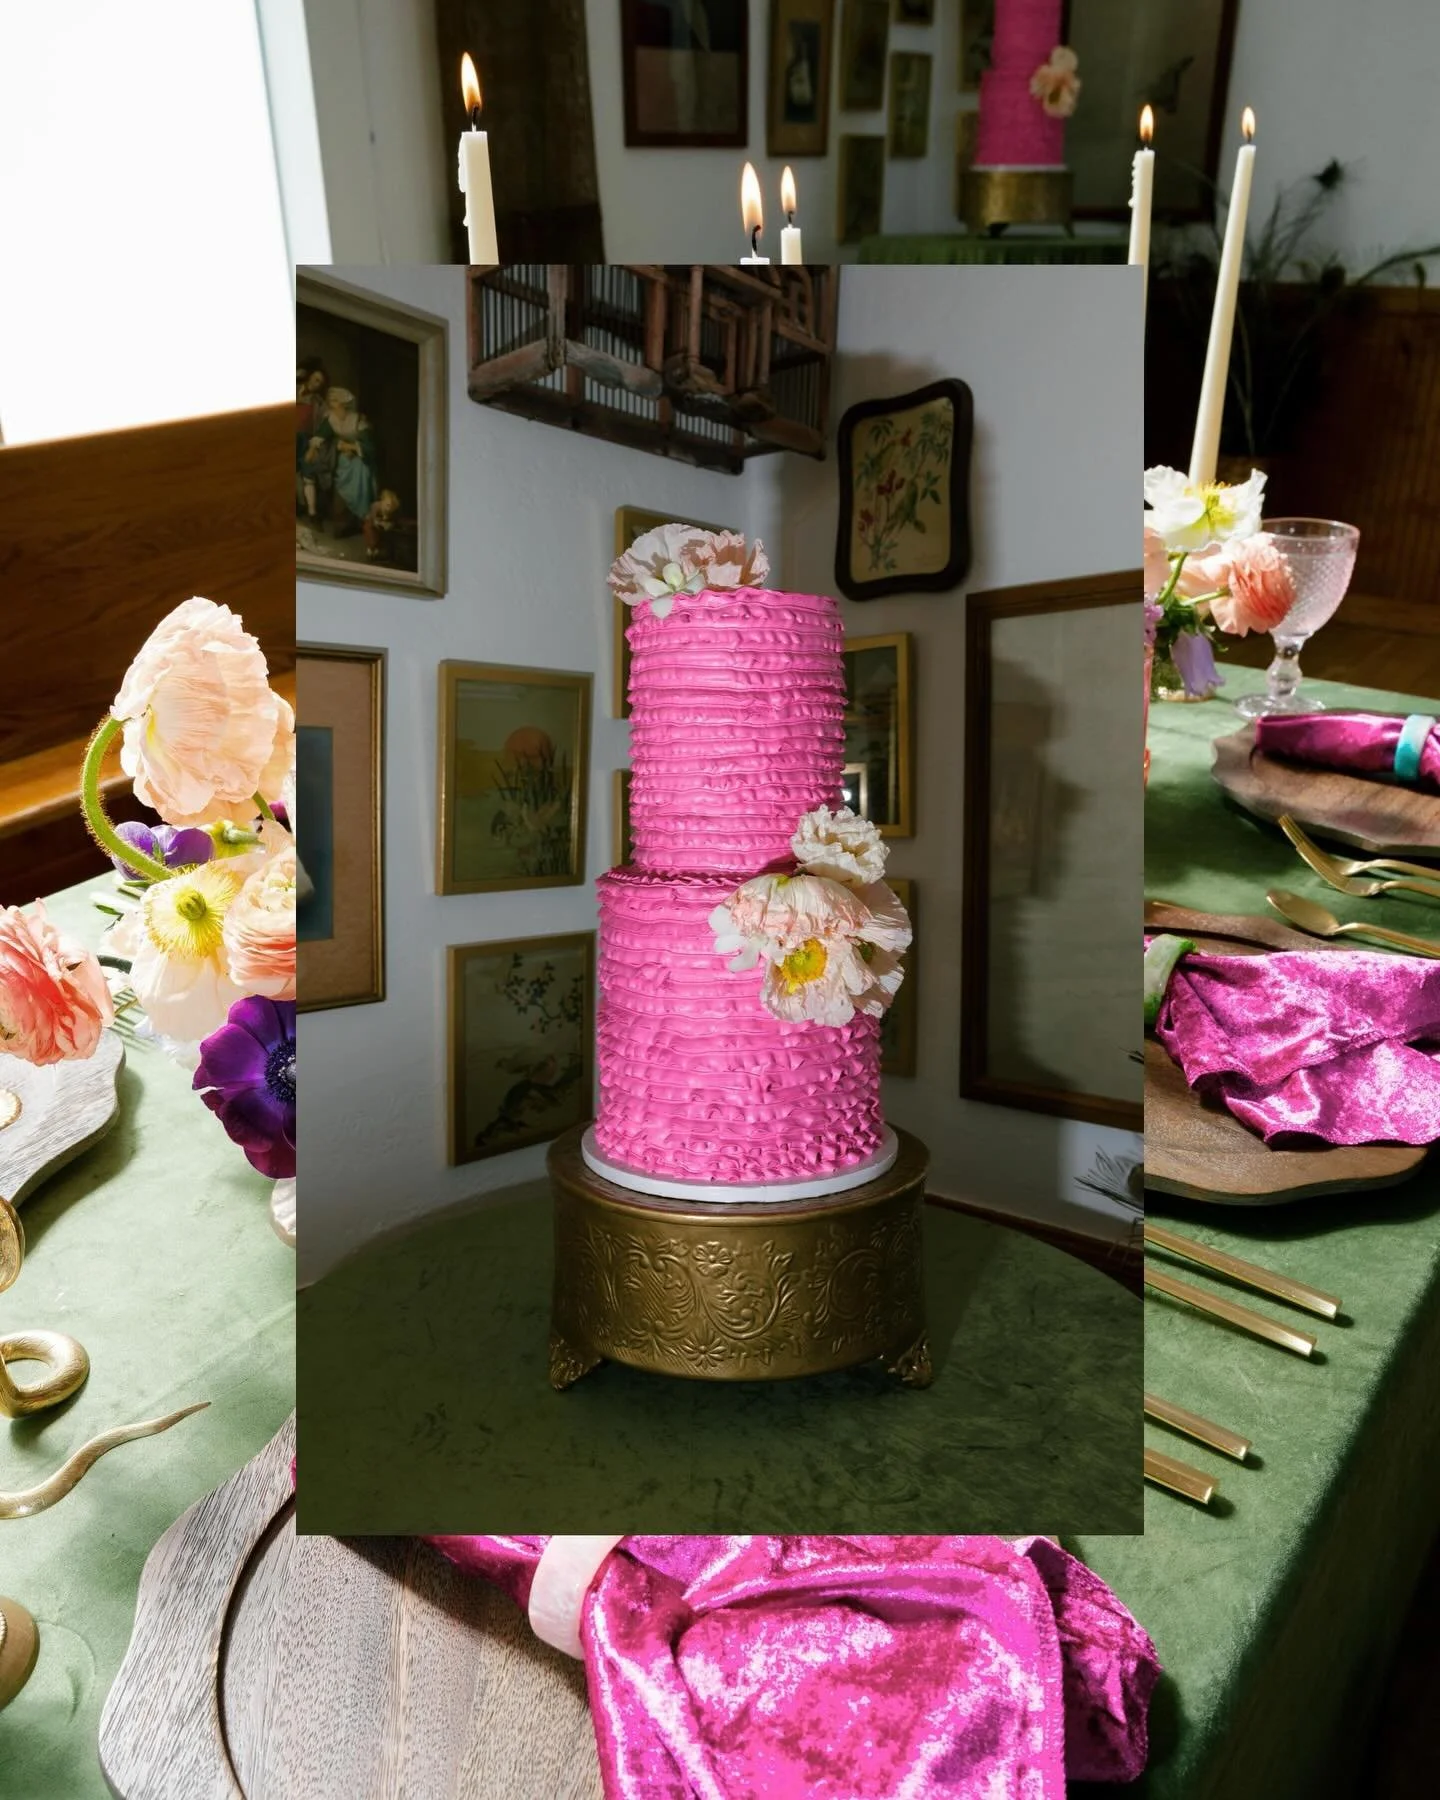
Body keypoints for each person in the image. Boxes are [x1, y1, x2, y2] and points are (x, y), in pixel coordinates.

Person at [315, 387, 378, 536]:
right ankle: (342, 525)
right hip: (342, 460)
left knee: (361, 482)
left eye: (336, 401)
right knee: (340, 490)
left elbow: (370, 446)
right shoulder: (330, 418)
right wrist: (315, 446)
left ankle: (360, 523)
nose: (332, 404)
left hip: (359, 461)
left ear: (344, 403)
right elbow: (321, 436)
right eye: (331, 401)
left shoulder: (357, 419)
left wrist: (351, 447)